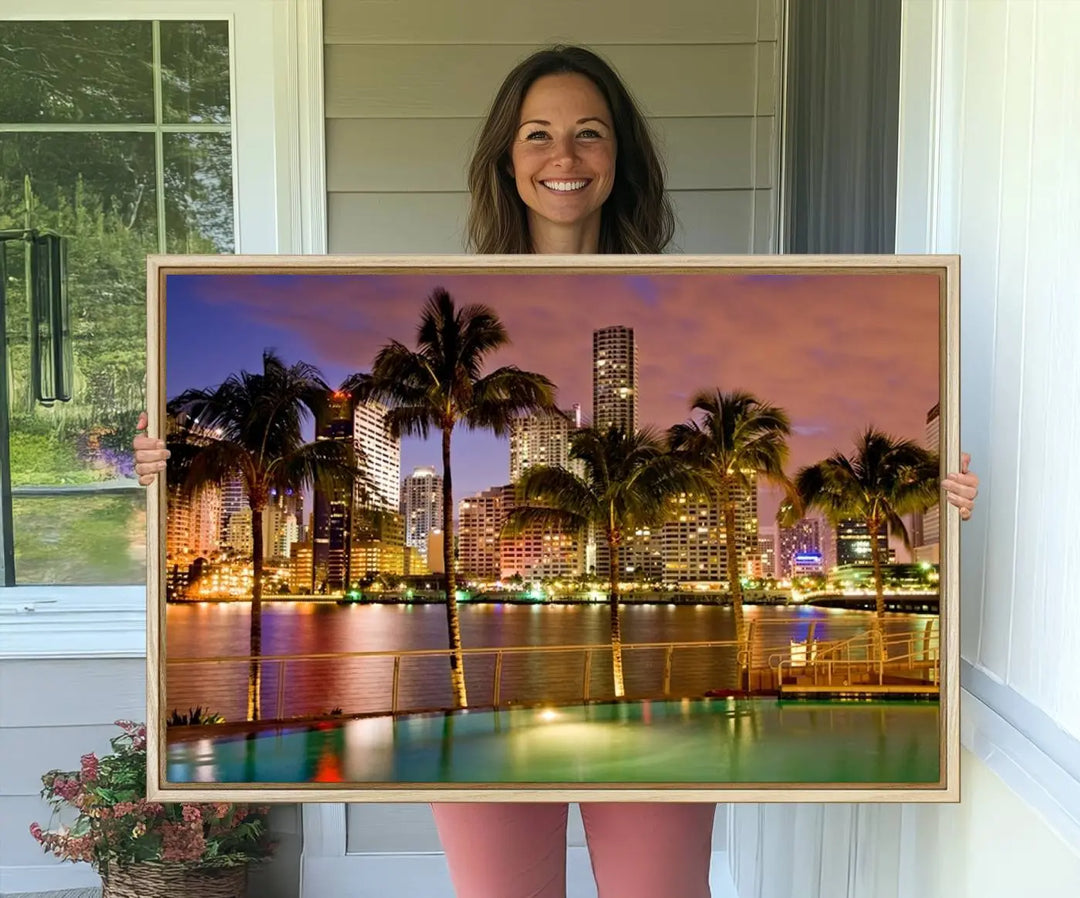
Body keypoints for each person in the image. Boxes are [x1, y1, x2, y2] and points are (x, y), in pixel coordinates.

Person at [133, 45, 980, 898]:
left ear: (620, 158)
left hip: (635, 716)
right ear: (508, 157)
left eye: (589, 134)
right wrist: (164, 467)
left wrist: (940, 499)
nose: (563, 157)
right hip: (490, 728)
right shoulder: (450, 306)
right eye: (538, 134)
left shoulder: (685, 294)